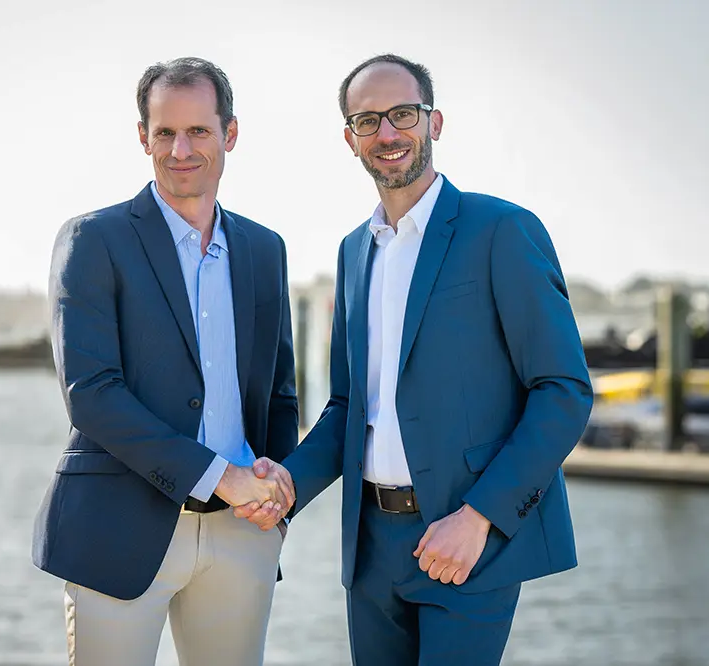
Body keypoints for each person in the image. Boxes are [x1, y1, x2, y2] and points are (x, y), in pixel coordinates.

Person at [240, 53, 593, 665]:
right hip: (370, 550)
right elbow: (349, 406)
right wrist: (289, 483)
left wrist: (478, 518)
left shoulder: (501, 230)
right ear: (350, 139)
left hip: (468, 541)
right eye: (367, 120)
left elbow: (563, 390)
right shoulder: (353, 252)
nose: (387, 133)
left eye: (402, 114)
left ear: (434, 122)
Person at [32, 56, 297, 666]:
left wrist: (277, 499)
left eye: (198, 131)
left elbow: (278, 391)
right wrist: (219, 476)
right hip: (118, 529)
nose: (181, 150)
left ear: (230, 134)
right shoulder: (94, 239)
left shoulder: (264, 249)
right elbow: (92, 394)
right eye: (165, 133)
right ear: (142, 137)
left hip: (242, 531)